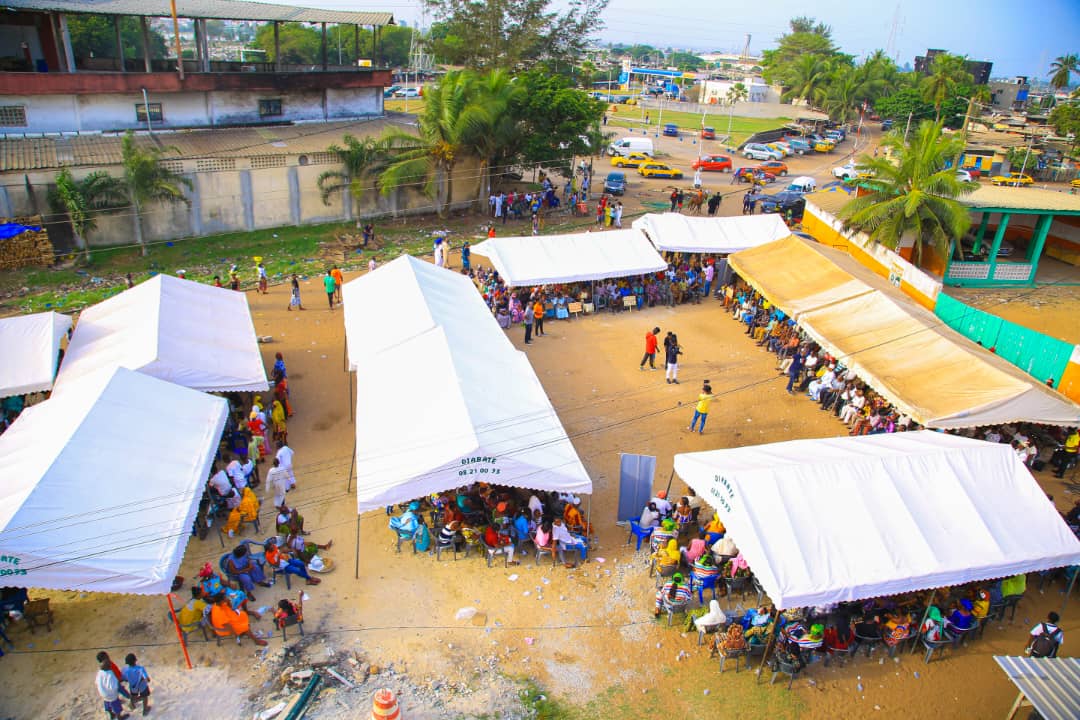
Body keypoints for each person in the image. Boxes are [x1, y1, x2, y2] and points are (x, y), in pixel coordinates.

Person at [95, 652, 129, 719]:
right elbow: (115, 687)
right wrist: (126, 694)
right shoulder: (111, 674)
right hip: (111, 695)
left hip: (103, 693)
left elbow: (96, 682)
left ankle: (111, 714)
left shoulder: (99, 672)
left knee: (107, 702)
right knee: (116, 705)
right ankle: (119, 717)